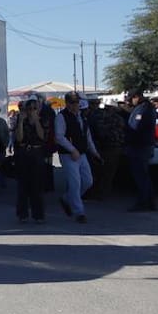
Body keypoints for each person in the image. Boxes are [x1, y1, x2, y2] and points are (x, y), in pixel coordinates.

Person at [55, 91, 101, 224]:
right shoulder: (62, 117)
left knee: (88, 181)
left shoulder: (81, 116)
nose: (75, 105)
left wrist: (94, 151)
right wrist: (72, 149)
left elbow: (87, 135)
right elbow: (59, 136)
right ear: (67, 103)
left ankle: (67, 198)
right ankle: (79, 212)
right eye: (73, 102)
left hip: (82, 153)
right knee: (75, 183)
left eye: (77, 102)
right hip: (68, 155)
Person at [13, 96, 47, 223]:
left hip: (37, 153)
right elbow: (19, 138)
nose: (31, 111)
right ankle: (22, 213)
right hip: (24, 153)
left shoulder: (43, 120)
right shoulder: (22, 120)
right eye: (29, 109)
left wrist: (36, 121)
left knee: (37, 185)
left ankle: (38, 214)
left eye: (34, 108)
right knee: (23, 185)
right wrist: (21, 122)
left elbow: (42, 136)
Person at [124, 88, 158, 212]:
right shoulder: (144, 107)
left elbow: (135, 127)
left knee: (140, 176)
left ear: (137, 97)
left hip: (139, 146)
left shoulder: (143, 109)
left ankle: (143, 202)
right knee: (144, 175)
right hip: (142, 145)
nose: (130, 102)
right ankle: (150, 201)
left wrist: (126, 133)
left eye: (131, 99)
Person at [88, 99, 126, 201]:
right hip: (111, 148)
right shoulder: (117, 118)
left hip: (105, 147)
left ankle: (99, 193)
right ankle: (102, 193)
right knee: (107, 173)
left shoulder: (99, 117)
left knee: (102, 172)